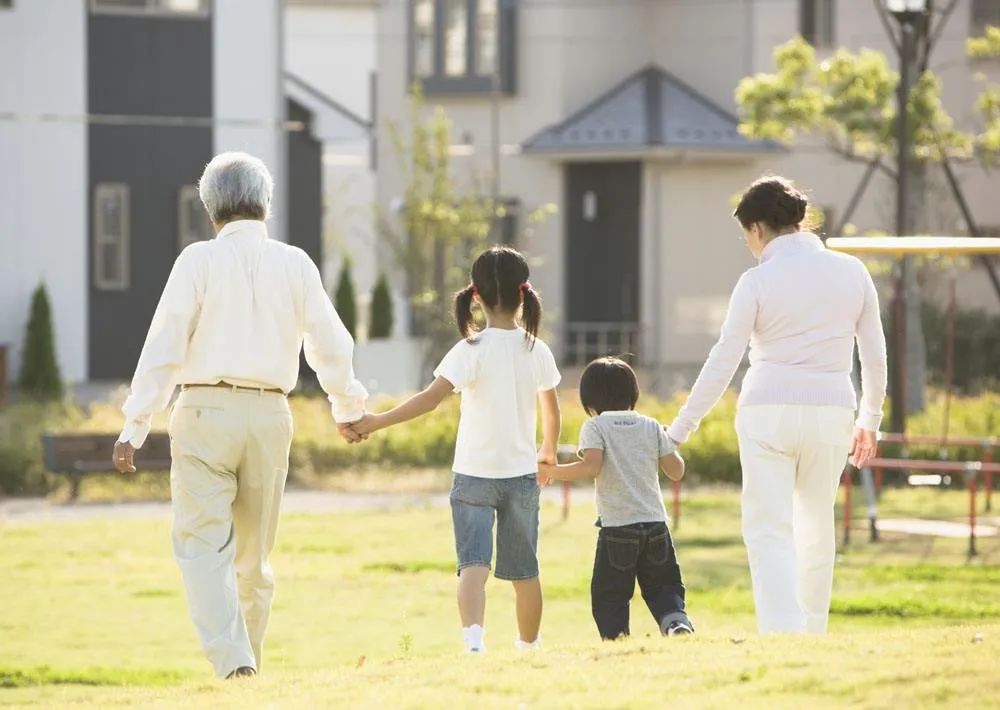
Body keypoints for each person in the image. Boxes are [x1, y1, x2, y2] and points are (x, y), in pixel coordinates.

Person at [112, 152, 368, 678]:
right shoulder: (296, 263)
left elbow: (163, 346)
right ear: (266, 205)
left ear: (211, 211)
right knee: (253, 558)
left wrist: (135, 425)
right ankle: (246, 669)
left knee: (202, 545)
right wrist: (346, 407)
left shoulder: (197, 261)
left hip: (205, 411)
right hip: (271, 414)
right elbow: (331, 345)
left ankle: (234, 665)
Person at [665, 175, 887, 635]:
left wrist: (679, 430)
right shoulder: (852, 271)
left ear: (758, 229)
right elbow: (874, 353)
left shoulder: (757, 281)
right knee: (816, 527)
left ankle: (783, 631)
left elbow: (724, 360)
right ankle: (813, 631)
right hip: (832, 412)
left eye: (746, 235)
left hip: (768, 411)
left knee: (769, 529)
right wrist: (871, 419)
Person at [351, 246, 561, 653]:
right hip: (521, 476)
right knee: (525, 572)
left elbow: (428, 400)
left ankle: (474, 646)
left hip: (473, 475)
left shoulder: (470, 350)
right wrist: (548, 453)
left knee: (473, 566)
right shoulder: (537, 350)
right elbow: (551, 410)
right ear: (524, 295)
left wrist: (374, 422)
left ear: (476, 296)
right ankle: (529, 648)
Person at [538, 357, 693, 640]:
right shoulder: (651, 425)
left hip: (618, 527)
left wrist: (550, 471)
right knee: (664, 584)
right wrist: (668, 441)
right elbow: (676, 471)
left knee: (610, 592)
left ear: (589, 401)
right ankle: (675, 623)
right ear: (632, 394)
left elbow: (591, 467)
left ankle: (617, 638)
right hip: (656, 524)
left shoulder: (596, 427)